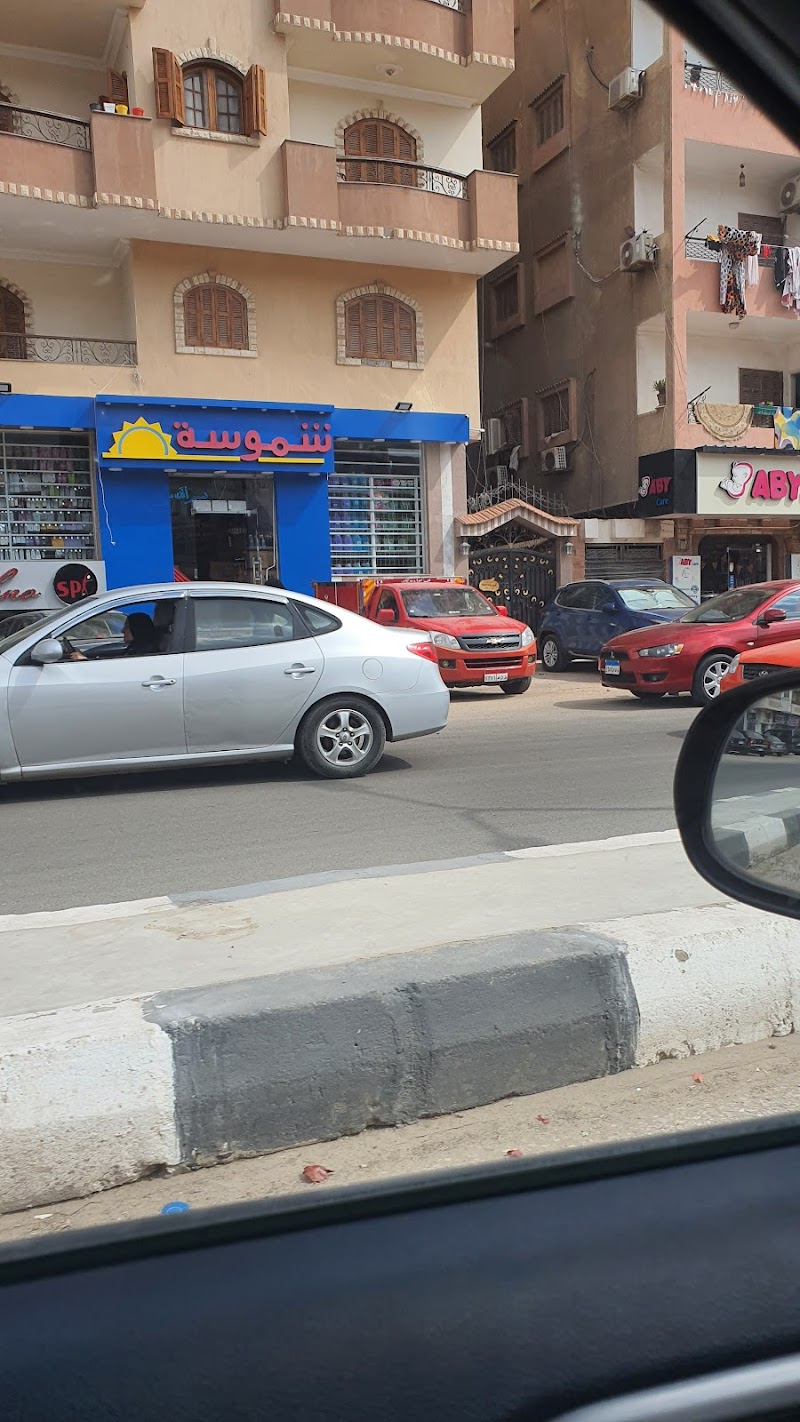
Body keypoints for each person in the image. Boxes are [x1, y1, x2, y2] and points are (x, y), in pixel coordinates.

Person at [70, 611, 160, 661]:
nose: (122, 630)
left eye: (127, 627)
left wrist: (85, 660)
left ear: (137, 629)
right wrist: (86, 656)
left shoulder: (145, 654)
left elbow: (118, 669)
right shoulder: (136, 647)